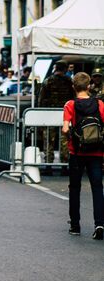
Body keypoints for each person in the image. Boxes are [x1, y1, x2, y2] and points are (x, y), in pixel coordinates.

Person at [62, 72, 104, 240]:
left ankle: (75, 225)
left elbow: (65, 128)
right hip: (97, 151)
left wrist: (69, 138)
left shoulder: (70, 105)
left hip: (77, 151)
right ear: (89, 86)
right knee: (97, 187)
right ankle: (99, 223)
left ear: (74, 87)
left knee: (75, 187)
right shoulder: (100, 104)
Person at [39, 60, 76, 173]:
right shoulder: (69, 81)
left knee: (49, 140)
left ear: (55, 68)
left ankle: (48, 166)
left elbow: (41, 100)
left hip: (49, 115)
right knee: (64, 140)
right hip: (65, 114)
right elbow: (73, 98)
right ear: (65, 69)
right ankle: (64, 166)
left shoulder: (47, 81)